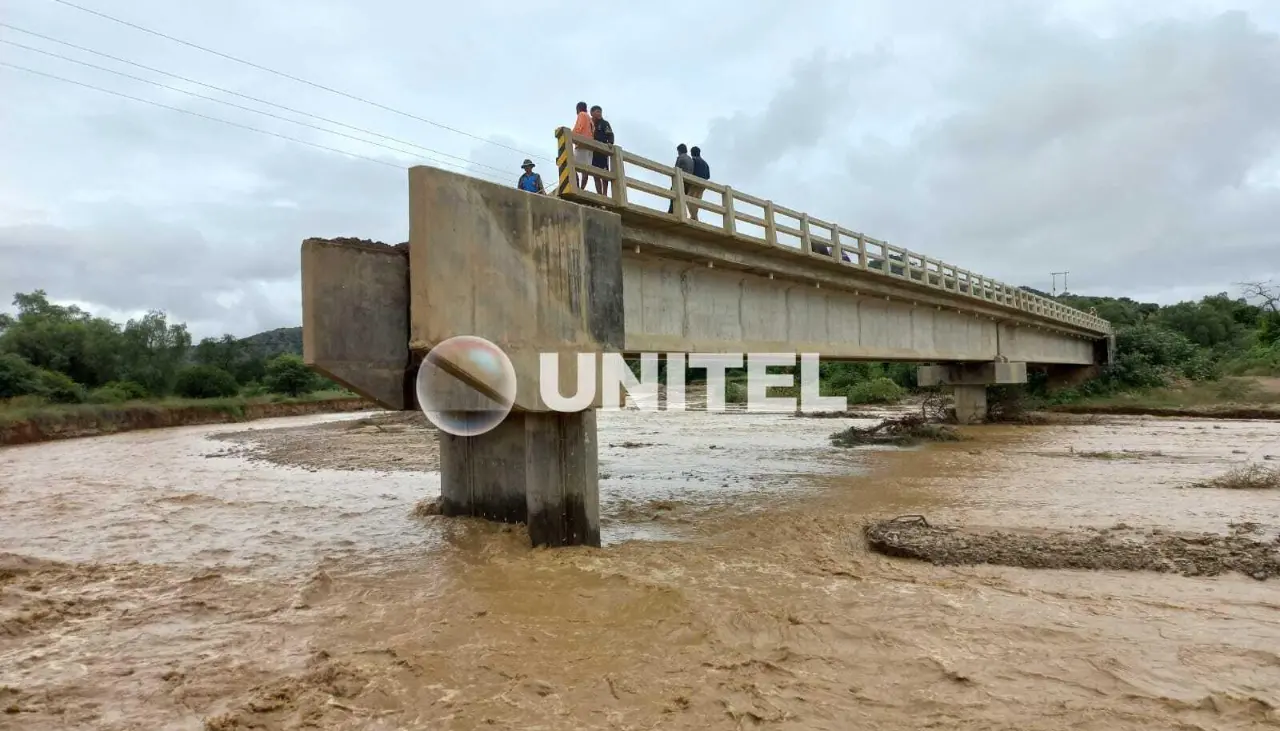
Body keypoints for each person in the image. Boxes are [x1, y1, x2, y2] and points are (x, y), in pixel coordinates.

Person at [589, 105, 614, 197]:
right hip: (593, 152)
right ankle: (599, 194)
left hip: (602, 152)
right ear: (592, 113)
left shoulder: (604, 123)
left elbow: (610, 134)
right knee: (596, 174)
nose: (599, 113)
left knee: (604, 174)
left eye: (600, 112)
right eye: (597, 111)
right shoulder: (590, 123)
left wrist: (610, 143)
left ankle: (605, 194)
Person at [572, 101, 594, 190]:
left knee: (571, 165)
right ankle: (582, 188)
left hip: (581, 144)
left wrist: (571, 136)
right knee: (586, 169)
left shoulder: (581, 115)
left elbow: (579, 127)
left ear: (578, 108)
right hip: (590, 146)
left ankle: (576, 186)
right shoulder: (590, 119)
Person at [669, 143, 696, 215]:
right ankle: (682, 213)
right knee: (683, 198)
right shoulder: (690, 159)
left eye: (678, 151)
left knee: (673, 195)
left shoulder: (680, 158)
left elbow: (676, 169)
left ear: (679, 151)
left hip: (681, 181)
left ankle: (671, 212)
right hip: (688, 182)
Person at [688, 146, 710, 221]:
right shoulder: (705, 163)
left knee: (689, 199)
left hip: (695, 183)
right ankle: (694, 216)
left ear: (692, 153)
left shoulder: (693, 160)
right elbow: (708, 176)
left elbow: (691, 171)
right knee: (697, 201)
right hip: (703, 185)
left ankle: (694, 217)